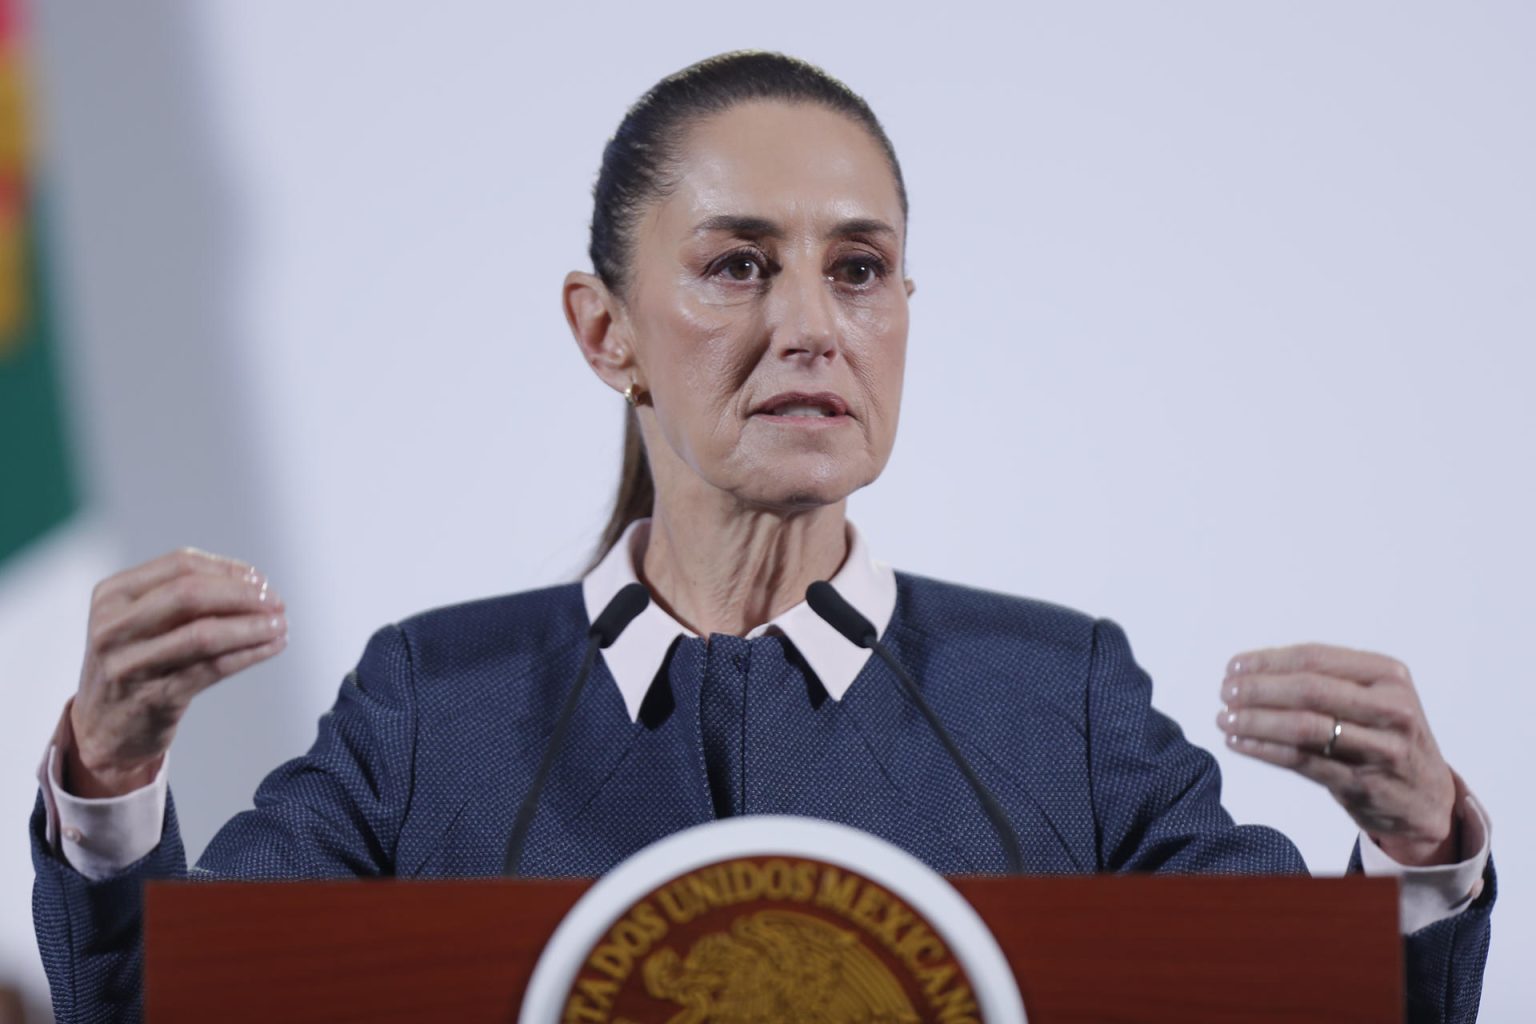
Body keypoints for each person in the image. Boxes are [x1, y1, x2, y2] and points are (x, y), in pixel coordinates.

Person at [32, 52, 1492, 1023]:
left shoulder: (1062, 703)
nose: (810, 326)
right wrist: (110, 784)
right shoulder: (432, 706)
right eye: (739, 265)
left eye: (859, 271)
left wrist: (1422, 854)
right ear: (605, 332)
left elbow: (1306, 1007)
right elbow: (170, 1008)